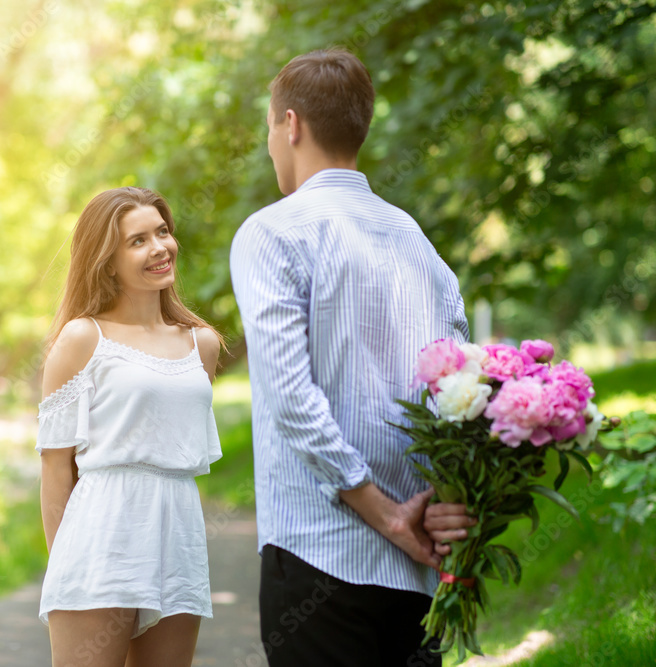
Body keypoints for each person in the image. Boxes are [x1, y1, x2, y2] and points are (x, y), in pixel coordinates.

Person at [229, 48, 476, 666]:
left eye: (269, 129)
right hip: (416, 573)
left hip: (320, 552)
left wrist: (386, 513)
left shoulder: (271, 232)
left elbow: (289, 394)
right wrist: (441, 504)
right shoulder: (418, 244)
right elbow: (461, 397)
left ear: (290, 125)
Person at [35, 186, 225, 667]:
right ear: (107, 261)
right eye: (137, 241)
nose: (160, 247)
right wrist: (65, 567)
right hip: (101, 540)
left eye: (162, 232)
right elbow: (57, 469)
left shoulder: (200, 344)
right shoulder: (82, 339)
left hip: (178, 536)